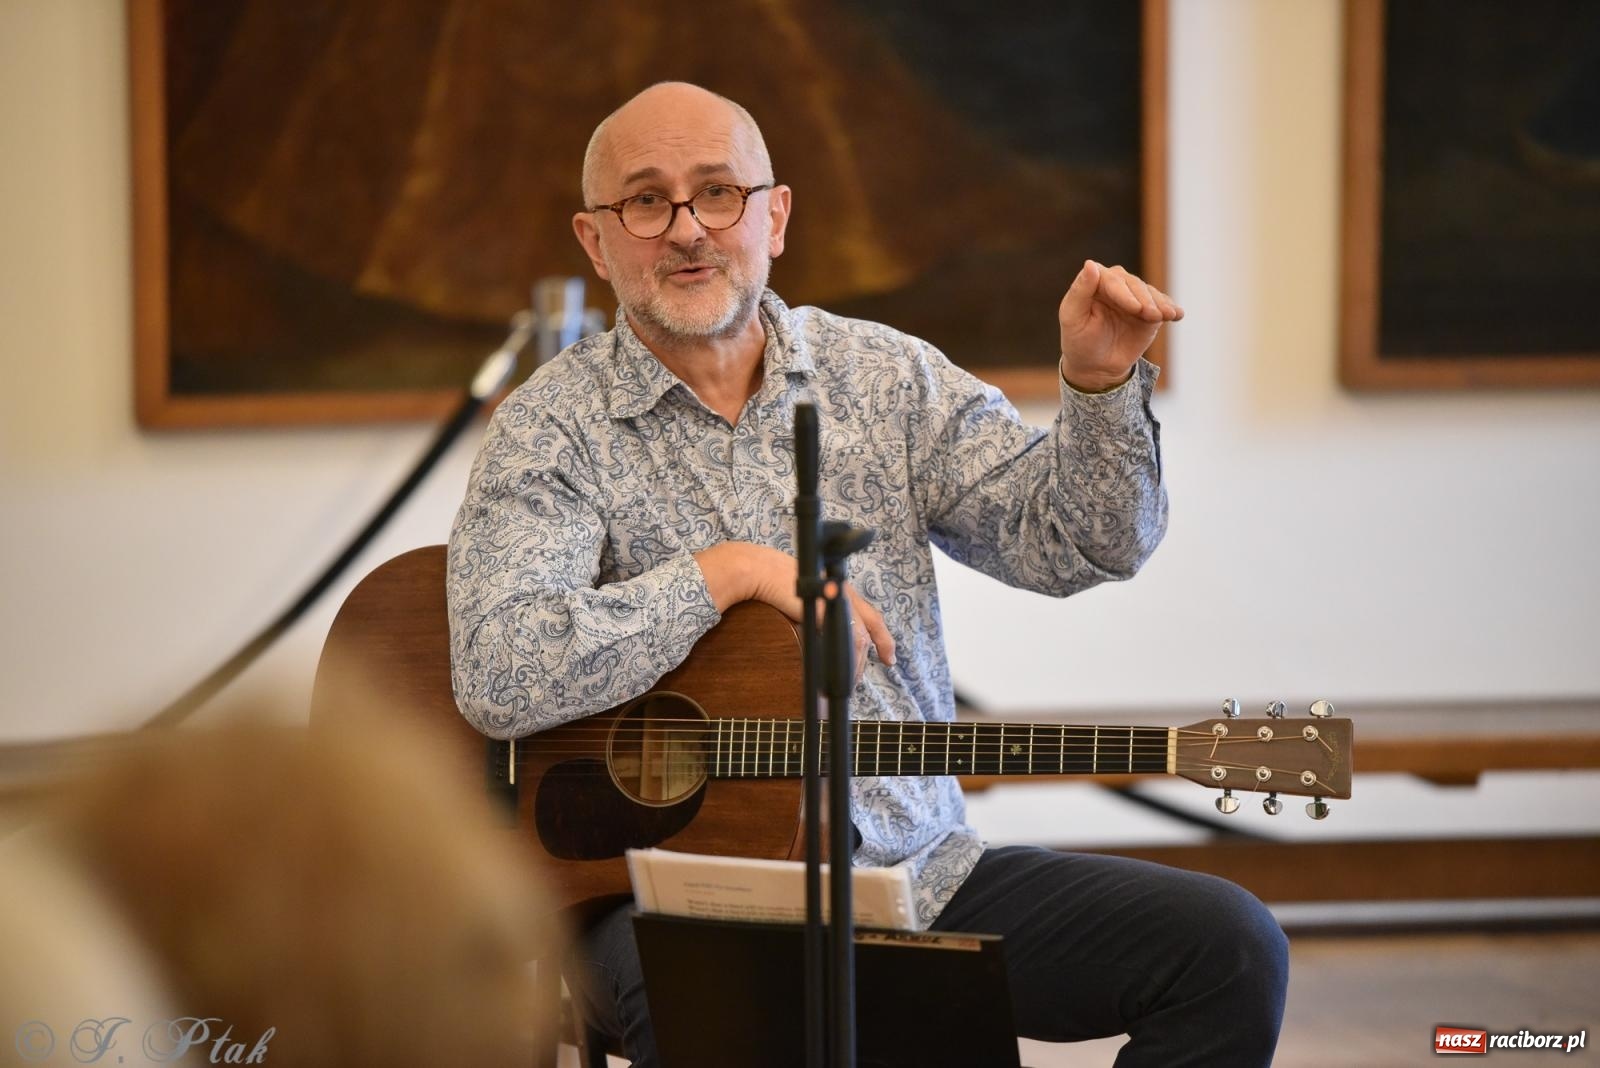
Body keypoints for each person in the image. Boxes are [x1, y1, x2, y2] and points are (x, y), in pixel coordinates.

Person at [447, 81, 1288, 1067]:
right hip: (665, 895)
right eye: (645, 201)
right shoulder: (550, 428)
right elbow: (499, 670)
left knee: (1228, 948)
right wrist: (722, 574)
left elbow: (1075, 545)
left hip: (916, 871)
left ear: (777, 215)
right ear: (595, 242)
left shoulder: (885, 379)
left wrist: (1099, 389)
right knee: (764, 1017)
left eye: (718, 192)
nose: (687, 230)